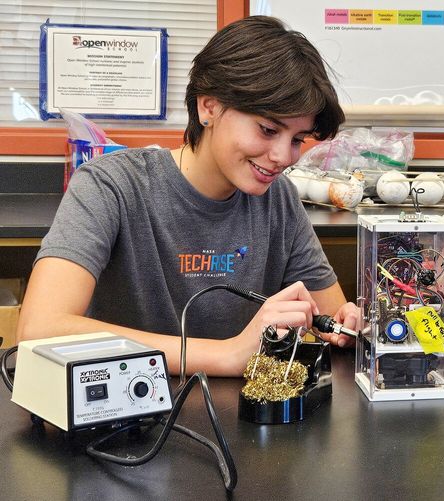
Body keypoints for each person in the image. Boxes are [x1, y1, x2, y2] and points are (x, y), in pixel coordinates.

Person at [17, 16, 358, 376]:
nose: (282, 157)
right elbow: (39, 329)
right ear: (208, 107)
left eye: (297, 140)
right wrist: (226, 355)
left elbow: (332, 318)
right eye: (268, 129)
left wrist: (344, 327)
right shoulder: (109, 186)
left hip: (240, 421)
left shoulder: (279, 199)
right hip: (129, 417)